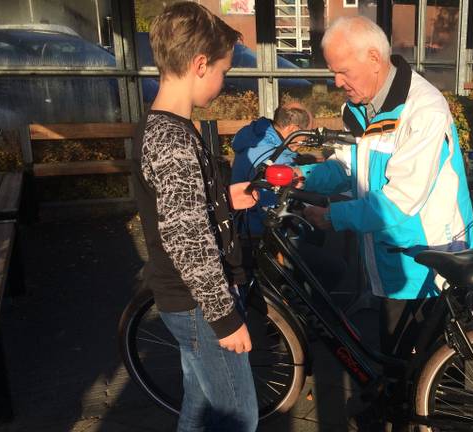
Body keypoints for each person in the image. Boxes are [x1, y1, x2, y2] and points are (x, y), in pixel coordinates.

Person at [298, 15, 473, 426]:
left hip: (428, 262)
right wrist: (299, 175)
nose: (336, 81)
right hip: (390, 259)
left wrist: (332, 217)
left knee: (436, 379)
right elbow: (348, 166)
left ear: (374, 58)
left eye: (342, 71)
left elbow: (399, 202)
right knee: (398, 367)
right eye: (332, 72)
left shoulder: (423, 109)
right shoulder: (361, 107)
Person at [130, 3, 259, 431]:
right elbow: (188, 242)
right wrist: (225, 318)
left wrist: (221, 198)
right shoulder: (173, 140)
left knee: (200, 407)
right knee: (238, 418)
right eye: (223, 70)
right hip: (200, 306)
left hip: (189, 302)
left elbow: (180, 207)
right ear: (200, 65)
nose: (224, 82)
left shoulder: (165, 128)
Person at [231, 105, 311, 236]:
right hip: (260, 233)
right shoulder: (275, 159)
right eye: (306, 134)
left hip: (241, 224)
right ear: (293, 129)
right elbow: (273, 207)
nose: (306, 141)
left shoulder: (255, 138)